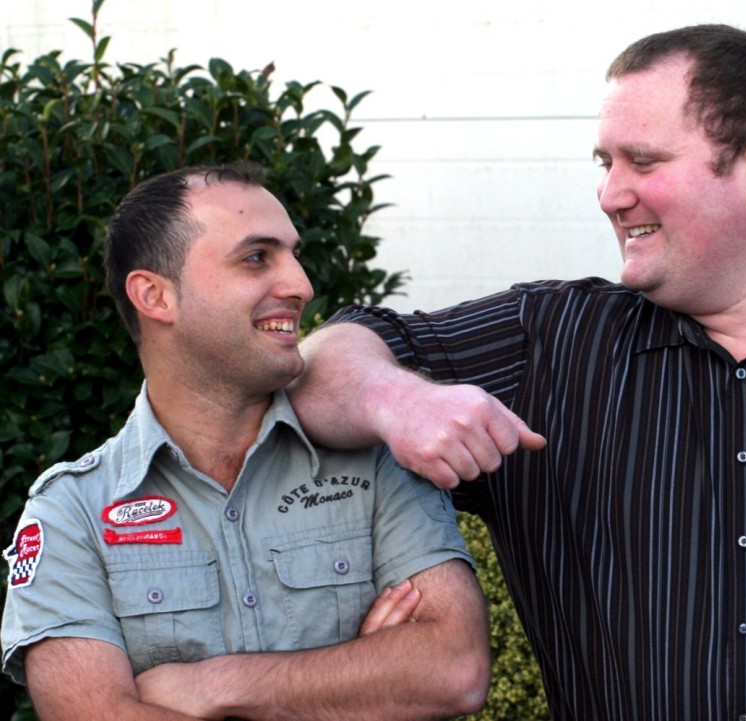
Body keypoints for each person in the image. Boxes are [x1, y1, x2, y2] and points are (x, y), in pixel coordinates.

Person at [289, 24, 746, 721]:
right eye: (604, 164)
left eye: (642, 161)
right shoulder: (546, 344)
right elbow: (320, 362)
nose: (610, 193)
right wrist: (396, 399)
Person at [1, 163, 490, 721]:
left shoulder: (374, 462)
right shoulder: (70, 513)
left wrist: (216, 686)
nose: (301, 285)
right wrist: (355, 684)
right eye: (257, 258)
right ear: (156, 296)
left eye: (293, 254)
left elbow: (453, 669)